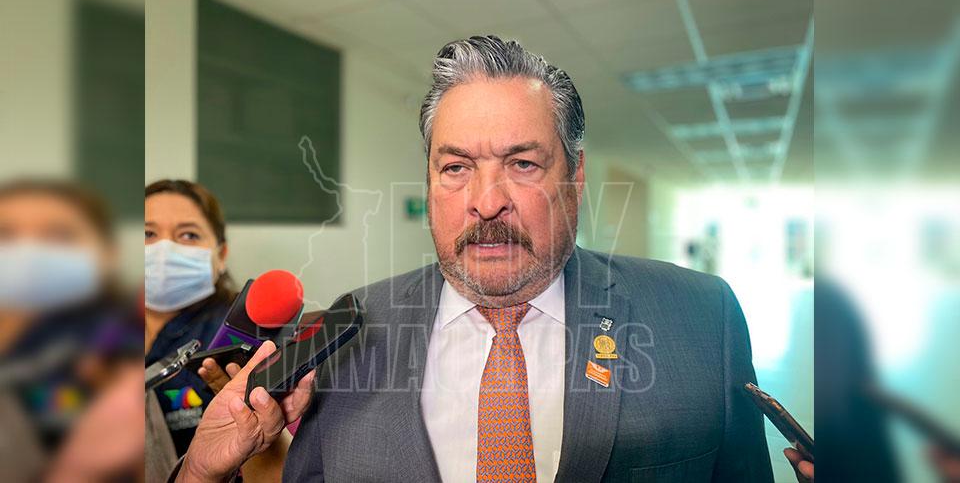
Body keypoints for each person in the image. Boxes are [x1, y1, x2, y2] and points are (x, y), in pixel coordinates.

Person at [177, 36, 779, 482]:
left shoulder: (702, 318)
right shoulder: (348, 329)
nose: (486, 202)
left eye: (523, 163)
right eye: (456, 167)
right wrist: (202, 474)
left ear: (575, 178)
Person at [144, 179, 288, 481]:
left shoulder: (249, 335)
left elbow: (275, 470)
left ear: (221, 255)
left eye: (188, 235)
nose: (163, 249)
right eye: (147, 234)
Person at [0, 179, 143, 482]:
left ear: (108, 254)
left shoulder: (121, 353)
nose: (28, 253)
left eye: (59, 236)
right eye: (5, 235)